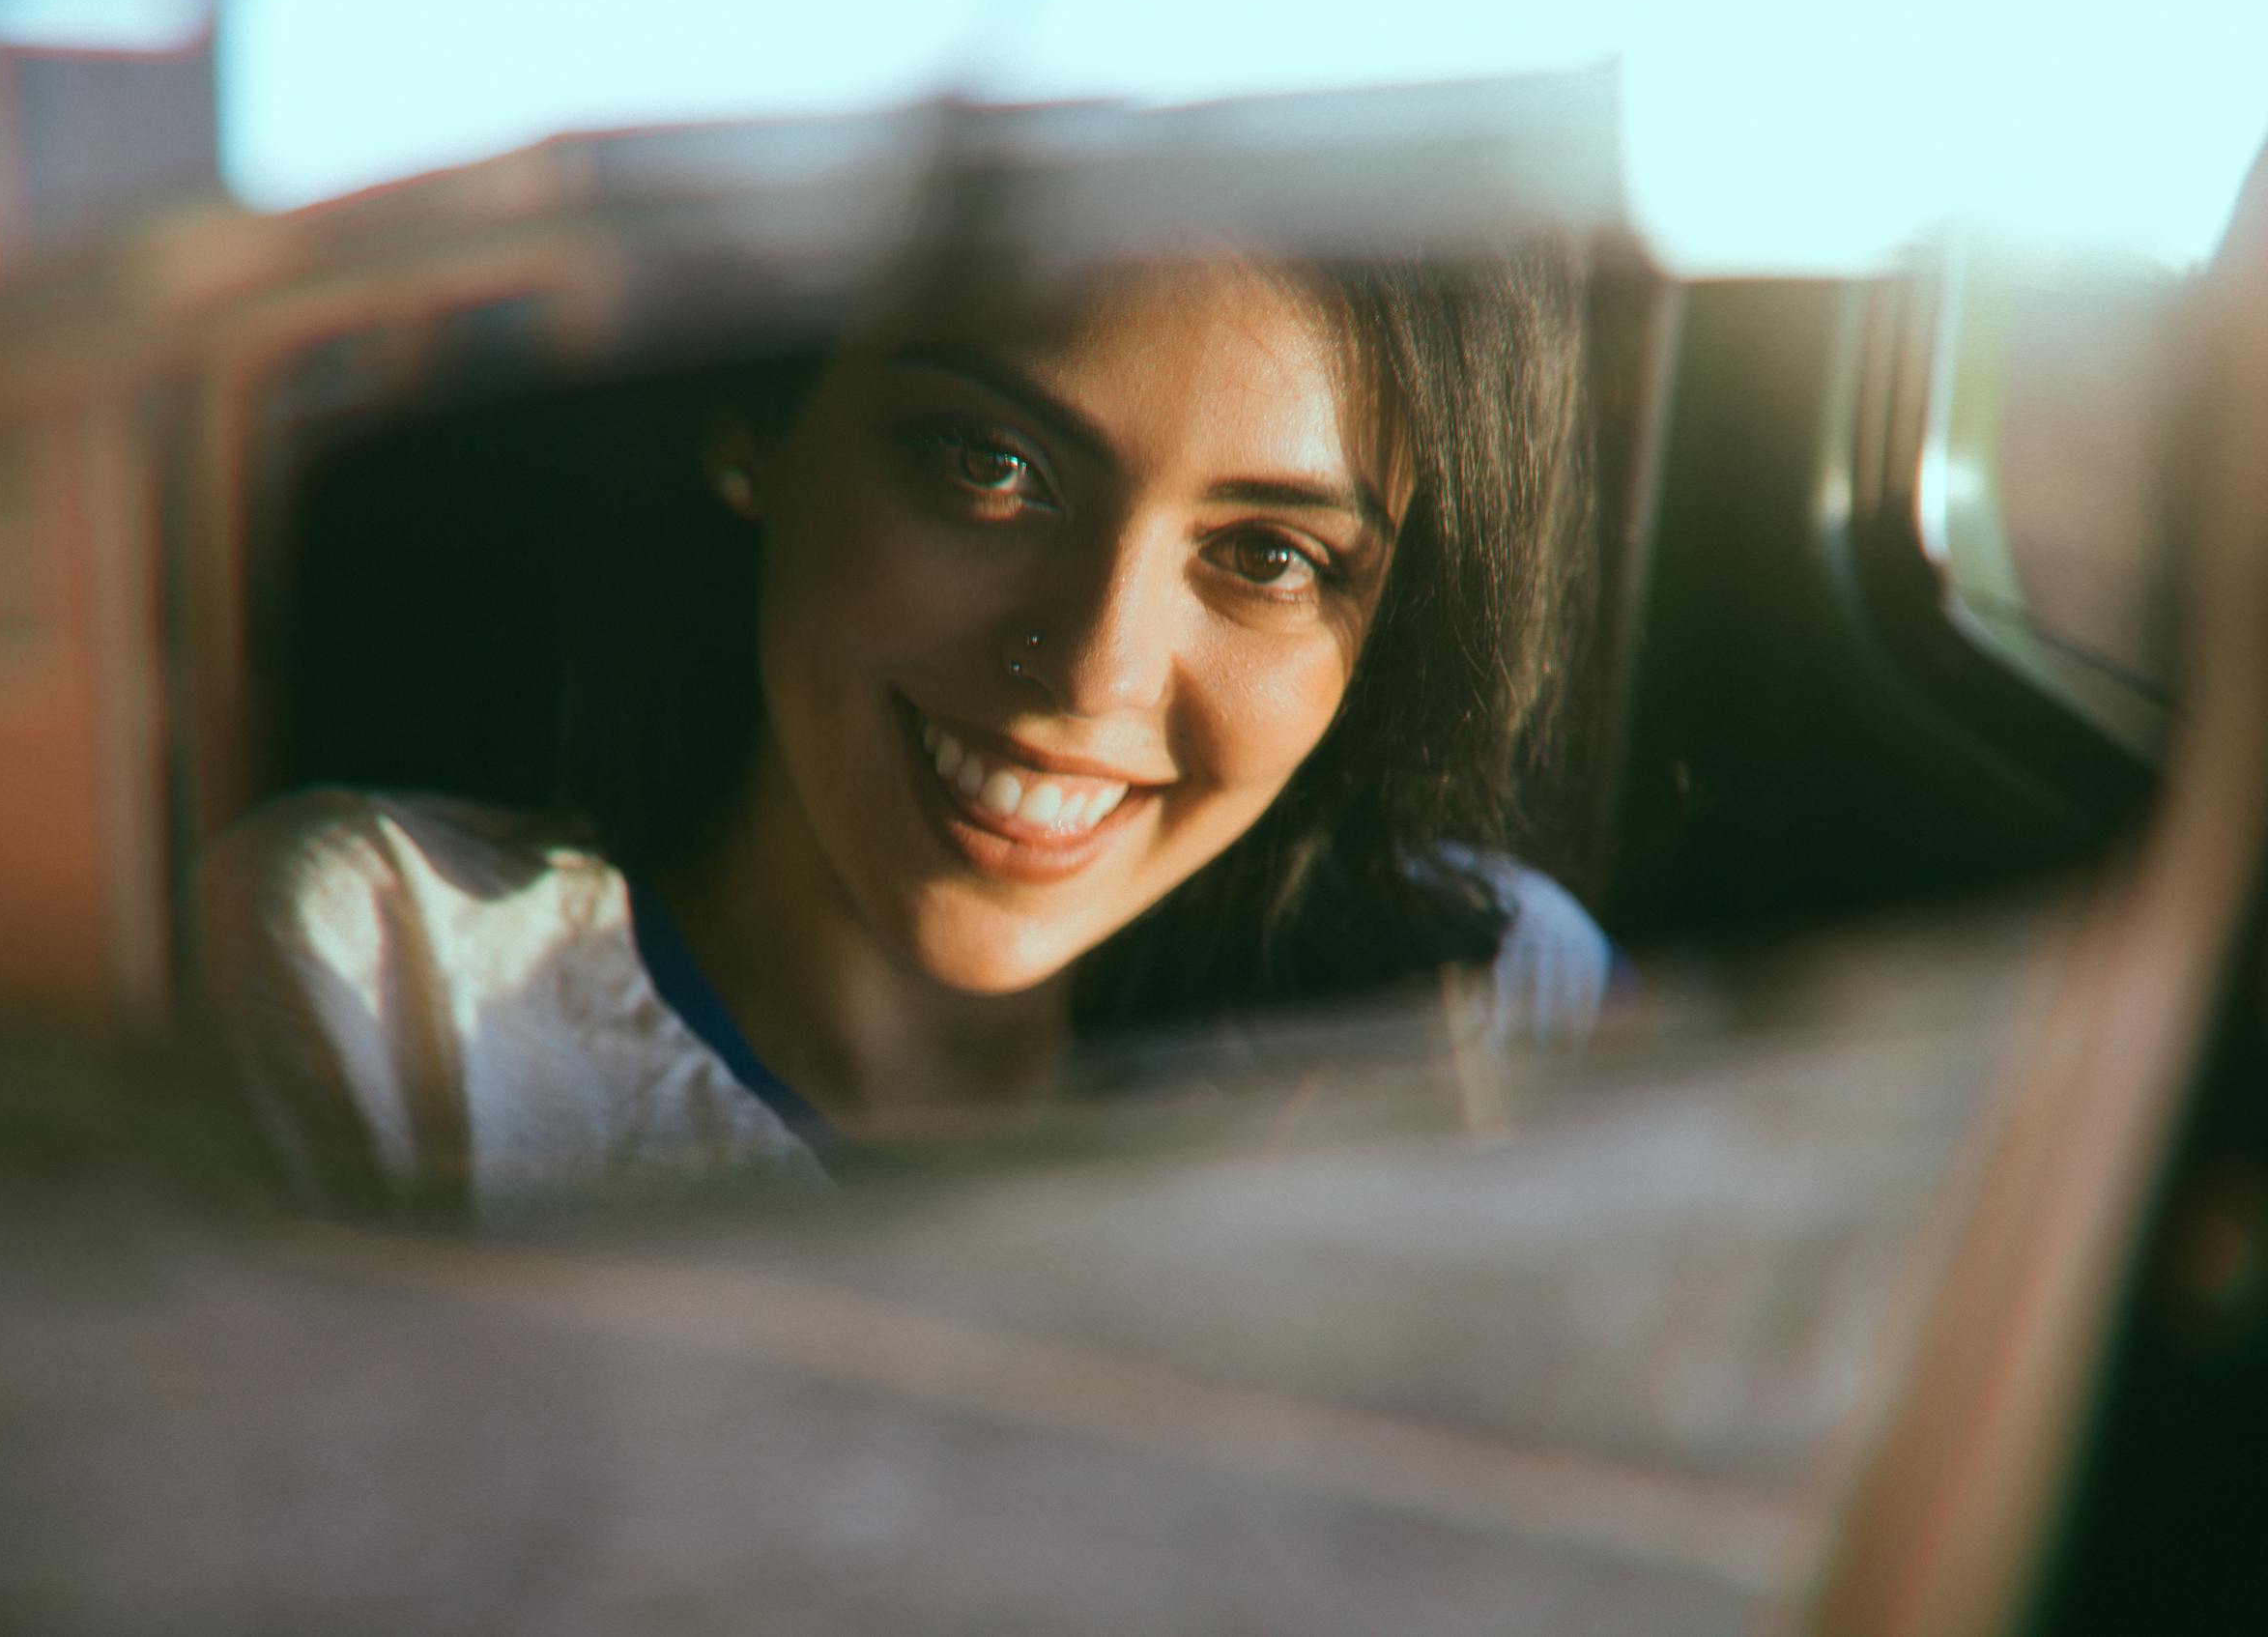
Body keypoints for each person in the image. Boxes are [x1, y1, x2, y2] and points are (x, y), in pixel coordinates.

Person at [199, 234, 1612, 1217]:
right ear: (756, 416)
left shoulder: (1478, 1007)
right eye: (990, 467)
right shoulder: (391, 986)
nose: (1094, 675)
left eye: (1269, 560)